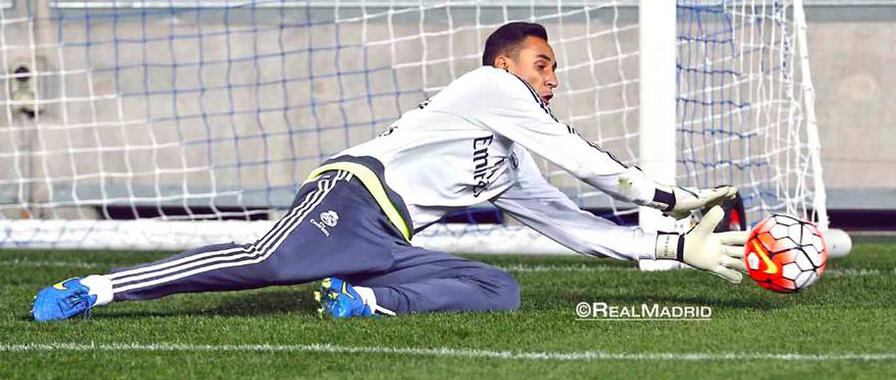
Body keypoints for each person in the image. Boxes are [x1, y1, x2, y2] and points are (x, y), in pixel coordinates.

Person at [31, 22, 747, 322]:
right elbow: (585, 161)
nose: (552, 78)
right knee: (263, 263)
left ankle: (362, 302)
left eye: (555, 68)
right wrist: (670, 197)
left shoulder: (510, 162)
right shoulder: (489, 87)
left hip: (387, 240)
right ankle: (96, 288)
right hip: (354, 194)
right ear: (505, 64)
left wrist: (676, 247)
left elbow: (575, 228)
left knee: (497, 289)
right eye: (542, 64)